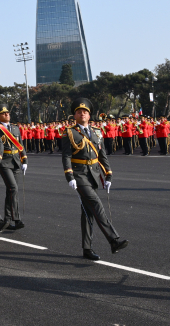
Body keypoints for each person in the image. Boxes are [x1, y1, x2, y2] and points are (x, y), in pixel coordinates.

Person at [62, 98, 127, 261]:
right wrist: (69, 176)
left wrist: (108, 174)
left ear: (89, 115)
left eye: (85, 112)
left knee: (88, 211)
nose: (82, 114)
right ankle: (113, 240)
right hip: (79, 174)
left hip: (94, 174)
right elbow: (66, 156)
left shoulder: (97, 132)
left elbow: (102, 155)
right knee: (96, 204)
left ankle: (87, 248)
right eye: (79, 112)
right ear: (75, 116)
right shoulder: (69, 132)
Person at [0, 105, 27, 230]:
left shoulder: (15, 128)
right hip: (4, 161)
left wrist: (24, 160)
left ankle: (7, 220)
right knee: (13, 188)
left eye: (7, 112)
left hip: (16, 161)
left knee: (11, 190)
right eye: (4, 113)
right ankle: (17, 219)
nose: (7, 114)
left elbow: (20, 144)